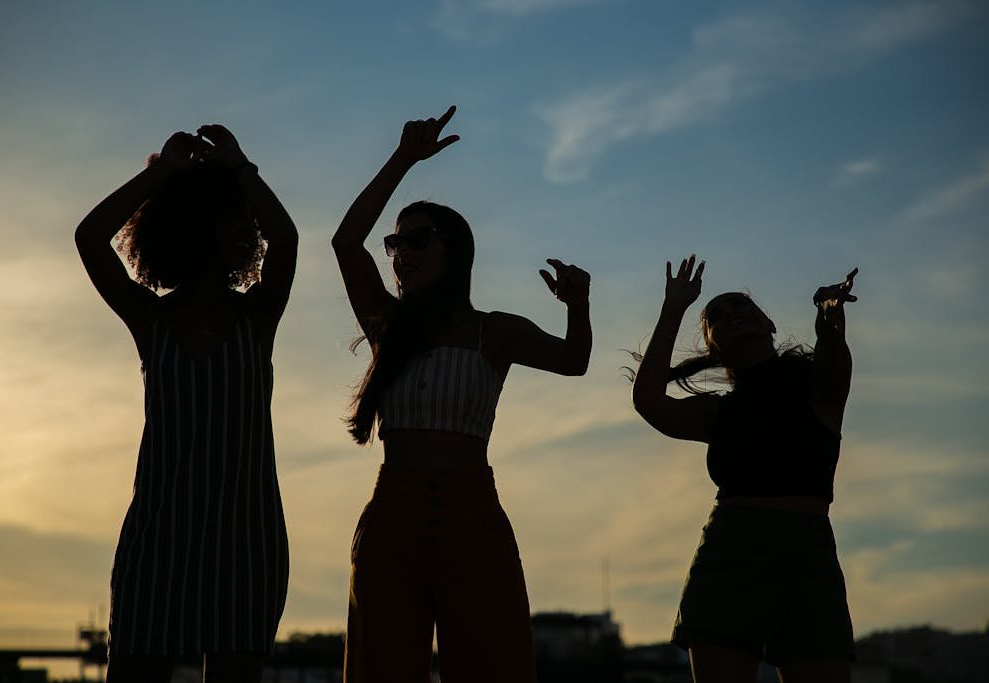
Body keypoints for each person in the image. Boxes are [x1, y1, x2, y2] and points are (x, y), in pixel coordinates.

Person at [332, 106, 592, 682]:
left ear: (456, 250)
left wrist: (578, 306)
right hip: (392, 511)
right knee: (382, 664)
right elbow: (347, 243)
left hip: (471, 512)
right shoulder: (387, 326)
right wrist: (402, 158)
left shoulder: (494, 331)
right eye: (397, 242)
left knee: (491, 660)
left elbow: (575, 362)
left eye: (419, 239)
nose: (403, 253)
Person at [75, 125, 297, 683]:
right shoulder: (151, 318)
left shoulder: (257, 316)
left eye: (242, 217)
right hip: (159, 531)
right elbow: (89, 237)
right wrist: (160, 174)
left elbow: (286, 239)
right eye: (229, 216)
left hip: (244, 533)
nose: (244, 228)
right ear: (191, 227)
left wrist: (241, 164)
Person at [631, 255, 857, 683]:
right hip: (731, 551)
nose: (732, 313)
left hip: (809, 555)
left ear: (768, 324)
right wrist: (673, 308)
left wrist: (829, 312)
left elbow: (833, 351)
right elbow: (649, 402)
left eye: (741, 305)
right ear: (713, 345)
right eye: (717, 315)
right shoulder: (719, 412)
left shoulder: (818, 388)